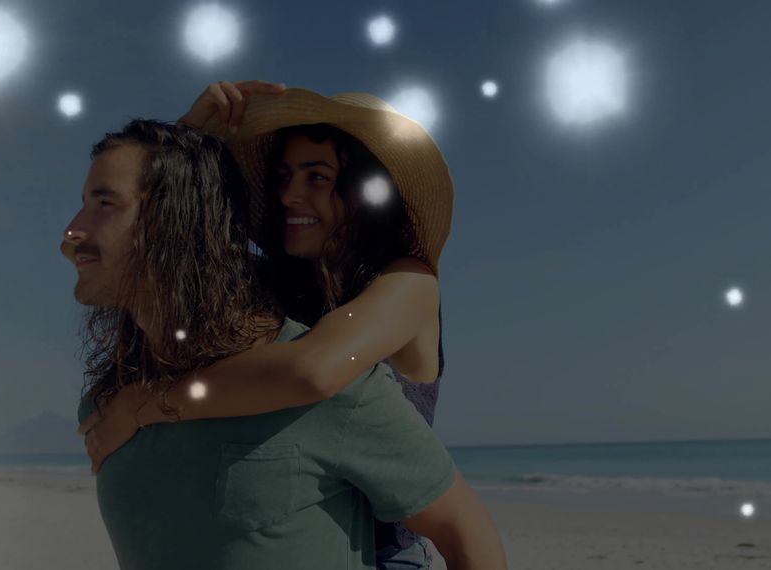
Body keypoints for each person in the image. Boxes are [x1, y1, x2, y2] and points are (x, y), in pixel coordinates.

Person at [61, 119, 506, 569]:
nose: (289, 195)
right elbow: (182, 251)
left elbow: (311, 371)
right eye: (283, 177)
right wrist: (186, 131)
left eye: (317, 177)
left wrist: (143, 404)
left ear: (365, 190)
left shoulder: (408, 282)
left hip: (390, 547)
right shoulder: (286, 283)